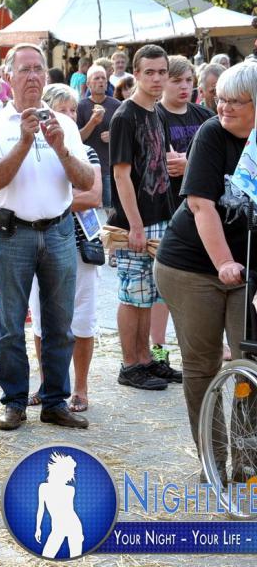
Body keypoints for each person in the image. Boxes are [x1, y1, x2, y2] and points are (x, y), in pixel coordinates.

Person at [0, 43, 94, 431]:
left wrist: (61, 149)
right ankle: (14, 402)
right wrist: (24, 142)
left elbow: (86, 181)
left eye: (38, 69)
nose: (33, 76)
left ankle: (54, 401)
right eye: (25, 69)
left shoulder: (64, 124)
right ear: (7, 76)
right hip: (12, 231)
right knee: (11, 325)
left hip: (59, 230)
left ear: (47, 76)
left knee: (60, 322)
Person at [155, 60, 257, 477]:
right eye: (220, 99)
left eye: (236, 101)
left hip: (247, 269)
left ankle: (247, 459)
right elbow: (200, 205)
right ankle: (212, 459)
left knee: (250, 361)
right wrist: (224, 262)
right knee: (203, 365)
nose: (224, 107)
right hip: (192, 266)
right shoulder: (212, 134)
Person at [109, 44, 180, 391]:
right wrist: (135, 224)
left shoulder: (158, 112)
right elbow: (121, 175)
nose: (156, 78)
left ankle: (146, 359)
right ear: (135, 74)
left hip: (161, 215)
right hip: (133, 221)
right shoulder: (124, 116)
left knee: (150, 294)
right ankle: (130, 364)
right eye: (149, 72)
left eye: (162, 72)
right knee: (132, 294)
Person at [28, 84, 102, 412]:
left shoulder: (87, 151)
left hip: (81, 243)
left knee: (82, 316)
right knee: (41, 318)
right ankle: (47, 384)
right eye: (62, 110)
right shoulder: (35, 150)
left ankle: (81, 388)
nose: (69, 116)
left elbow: (94, 195)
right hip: (41, 241)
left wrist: (51, 199)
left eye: (73, 110)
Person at [153, 56, 213, 361]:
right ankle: (158, 347)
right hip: (167, 206)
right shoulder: (155, 115)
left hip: (202, 206)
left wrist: (190, 164)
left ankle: (207, 343)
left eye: (189, 80)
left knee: (204, 280)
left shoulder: (205, 115)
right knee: (163, 286)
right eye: (177, 81)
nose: (184, 87)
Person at [76, 65, 121, 209]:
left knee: (108, 209)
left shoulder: (117, 105)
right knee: (91, 210)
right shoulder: (80, 106)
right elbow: (78, 139)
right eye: (96, 78)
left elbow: (128, 136)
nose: (101, 81)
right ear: (88, 84)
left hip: (109, 167)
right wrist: (93, 122)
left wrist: (113, 136)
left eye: (103, 78)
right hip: (87, 168)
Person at [35, 452, 83, 559]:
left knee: (76, 559)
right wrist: (38, 528)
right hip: (58, 528)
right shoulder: (43, 487)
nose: (70, 476)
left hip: (73, 526)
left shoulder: (70, 490)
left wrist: (79, 534)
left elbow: (69, 511)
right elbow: (40, 510)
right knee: (46, 556)